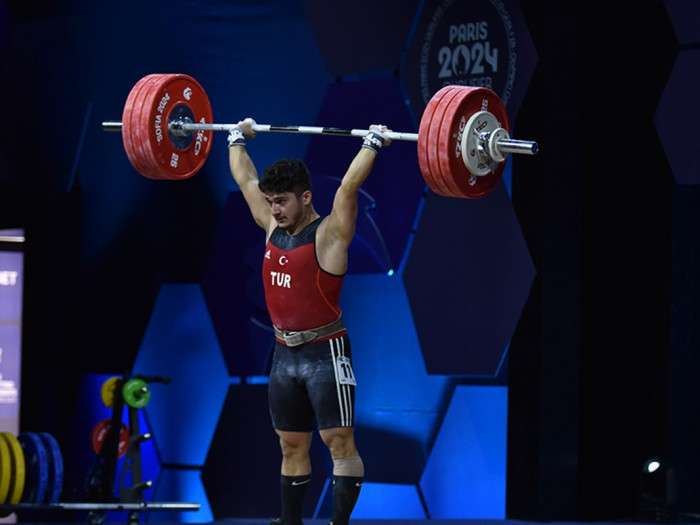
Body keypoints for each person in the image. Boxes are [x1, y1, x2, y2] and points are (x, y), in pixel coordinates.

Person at [226, 118, 391, 525]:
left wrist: (371, 143)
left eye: (281, 201)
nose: (274, 209)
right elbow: (246, 180)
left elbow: (348, 188)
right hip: (284, 354)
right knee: (290, 445)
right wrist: (236, 138)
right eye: (271, 201)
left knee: (338, 442)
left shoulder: (329, 234)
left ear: (305, 197)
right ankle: (290, 522)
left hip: (325, 353)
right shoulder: (271, 226)